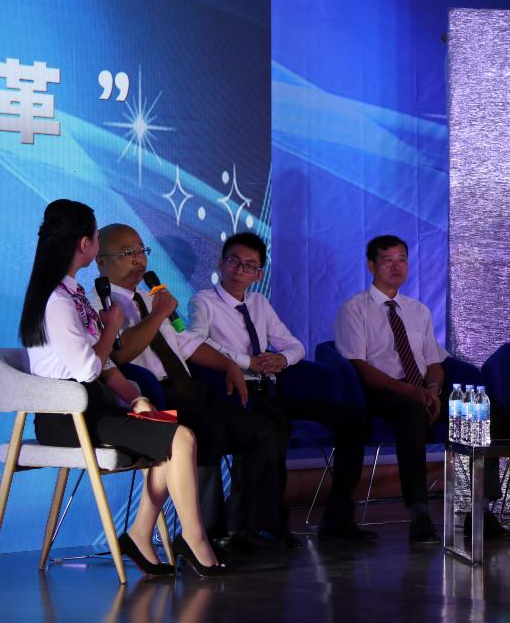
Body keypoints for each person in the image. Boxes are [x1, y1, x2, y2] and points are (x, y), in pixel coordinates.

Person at [20, 199, 225, 576]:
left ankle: (142, 535)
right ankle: (193, 541)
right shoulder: (57, 301)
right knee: (180, 438)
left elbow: (106, 365)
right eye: (97, 236)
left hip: (95, 407)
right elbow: (87, 368)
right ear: (86, 245)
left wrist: (136, 397)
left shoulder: (73, 294)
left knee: (174, 436)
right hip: (68, 417)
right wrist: (112, 327)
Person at [95, 223, 281, 552]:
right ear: (101, 261)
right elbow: (119, 354)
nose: (139, 260)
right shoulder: (101, 304)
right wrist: (158, 315)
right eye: (127, 253)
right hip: (152, 398)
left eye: (141, 251)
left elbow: (185, 343)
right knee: (210, 432)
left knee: (264, 430)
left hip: (188, 386)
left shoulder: (151, 299)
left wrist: (228, 365)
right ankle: (204, 533)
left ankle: (242, 527)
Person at [188, 232, 376, 542]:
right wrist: (246, 361)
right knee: (272, 428)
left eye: (250, 266)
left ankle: (338, 518)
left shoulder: (259, 302)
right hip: (234, 390)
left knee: (352, 420)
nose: (239, 270)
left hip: (271, 388)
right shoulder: (203, 301)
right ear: (220, 264)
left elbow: (295, 345)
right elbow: (195, 343)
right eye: (234, 261)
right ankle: (254, 526)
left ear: (258, 274)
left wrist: (281, 359)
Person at [335, 235, 510, 544]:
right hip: (380, 391)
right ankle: (419, 513)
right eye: (387, 261)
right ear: (371, 266)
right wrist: (412, 393)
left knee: (484, 411)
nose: (396, 267)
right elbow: (359, 367)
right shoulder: (355, 309)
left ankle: (480, 510)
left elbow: (434, 362)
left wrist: (431, 388)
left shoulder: (417, 310)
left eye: (402, 260)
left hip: (423, 389)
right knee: (412, 411)